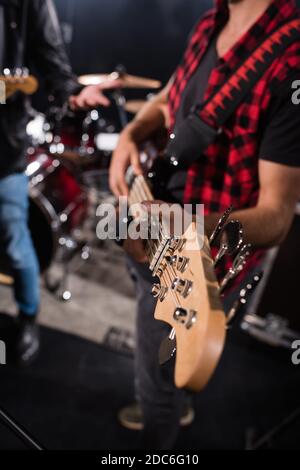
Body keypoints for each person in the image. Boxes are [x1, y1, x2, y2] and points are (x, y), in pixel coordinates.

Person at [109, 0, 300, 449]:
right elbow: (170, 97)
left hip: (200, 262)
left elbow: (276, 219)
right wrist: (130, 134)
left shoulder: (291, 60)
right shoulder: (211, 19)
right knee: (164, 369)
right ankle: (173, 399)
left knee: (157, 388)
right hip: (154, 228)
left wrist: (186, 228)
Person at [0, 0, 120, 366]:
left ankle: (28, 319)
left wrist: (71, 89)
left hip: (5, 148)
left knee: (17, 243)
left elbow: (51, 55)